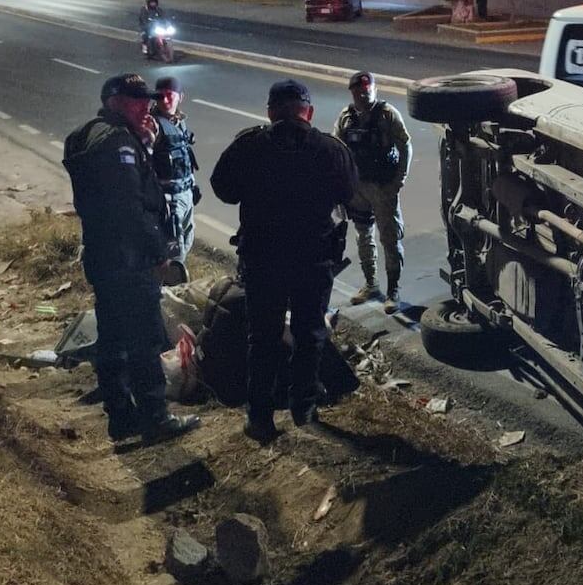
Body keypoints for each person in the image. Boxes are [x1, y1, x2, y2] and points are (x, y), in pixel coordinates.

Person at [210, 79, 357, 443]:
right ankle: (303, 408)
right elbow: (350, 192)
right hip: (313, 261)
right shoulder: (330, 149)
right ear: (308, 111)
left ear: (271, 111)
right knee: (309, 333)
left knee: (262, 337)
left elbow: (223, 189)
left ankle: (259, 417)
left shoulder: (249, 145)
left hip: (264, 261)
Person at [63, 74, 201, 443]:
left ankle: (121, 417)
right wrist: (160, 254)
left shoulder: (86, 134)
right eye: (137, 100)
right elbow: (129, 207)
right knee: (142, 341)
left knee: (112, 339)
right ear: (114, 101)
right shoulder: (117, 143)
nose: (146, 107)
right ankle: (155, 418)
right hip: (128, 258)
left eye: (147, 100)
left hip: (103, 255)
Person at [335, 71, 411, 313]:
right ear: (353, 92)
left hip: (382, 188)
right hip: (358, 189)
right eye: (359, 91)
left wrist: (399, 181)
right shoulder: (346, 118)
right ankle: (371, 284)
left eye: (368, 90)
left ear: (374, 90)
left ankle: (393, 291)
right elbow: (338, 151)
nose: (363, 93)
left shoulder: (387, 115)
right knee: (363, 236)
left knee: (390, 238)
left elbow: (405, 146)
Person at [151, 77, 199, 262]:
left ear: (181, 97)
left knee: (187, 240)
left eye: (169, 95)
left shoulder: (179, 122)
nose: (165, 100)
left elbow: (185, 157)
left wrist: (192, 186)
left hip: (185, 194)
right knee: (173, 253)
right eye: (160, 96)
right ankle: (170, 286)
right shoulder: (152, 126)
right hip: (168, 200)